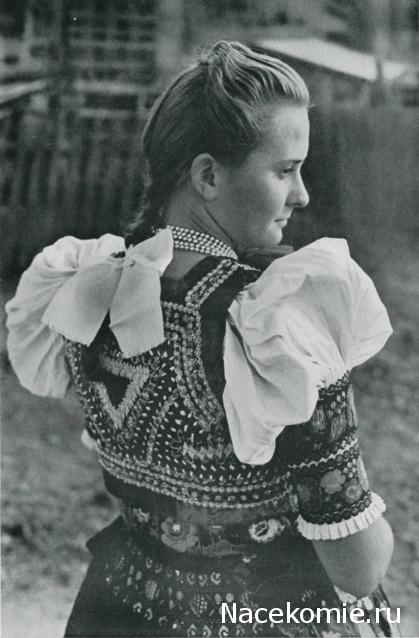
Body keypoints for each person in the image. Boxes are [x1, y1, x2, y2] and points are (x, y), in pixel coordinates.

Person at [6, 41, 398, 638]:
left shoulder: (91, 291)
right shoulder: (278, 319)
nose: (302, 195)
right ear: (209, 176)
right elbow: (360, 567)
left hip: (120, 609)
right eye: (285, 170)